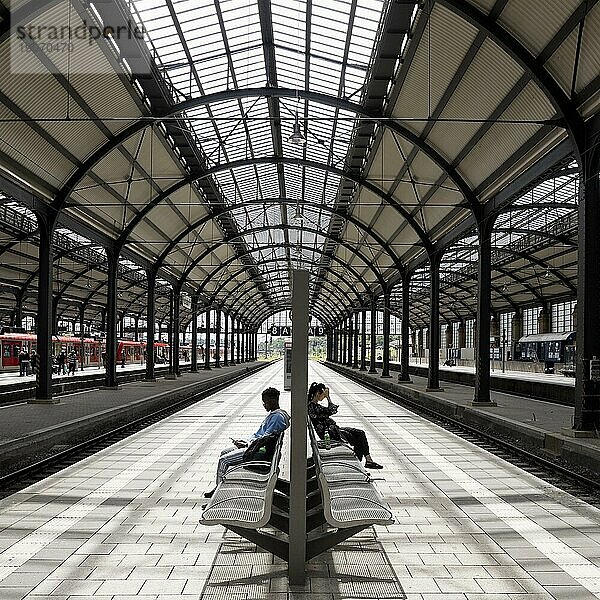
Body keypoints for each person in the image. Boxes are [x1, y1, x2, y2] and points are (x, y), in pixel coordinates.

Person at [204, 387, 290, 498]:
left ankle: (218, 495)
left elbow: (264, 439)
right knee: (224, 452)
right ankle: (219, 485)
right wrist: (246, 441)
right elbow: (261, 437)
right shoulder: (277, 414)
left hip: (258, 453)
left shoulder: (277, 418)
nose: (264, 404)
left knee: (223, 461)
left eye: (266, 402)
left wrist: (246, 445)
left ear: (273, 401)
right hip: (255, 447)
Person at [307, 381, 383, 469]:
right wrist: (328, 397)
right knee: (359, 437)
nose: (324, 397)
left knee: (360, 433)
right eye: (323, 395)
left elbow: (331, 410)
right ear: (317, 393)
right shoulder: (314, 407)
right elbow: (332, 410)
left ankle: (365, 461)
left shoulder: (313, 406)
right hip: (332, 434)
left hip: (333, 430)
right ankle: (358, 464)